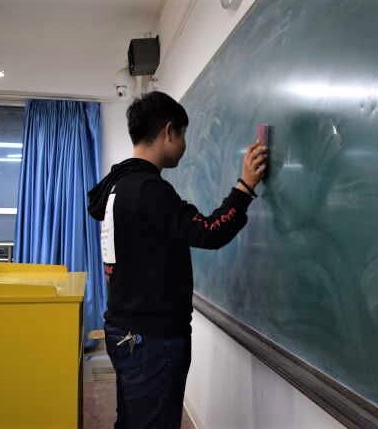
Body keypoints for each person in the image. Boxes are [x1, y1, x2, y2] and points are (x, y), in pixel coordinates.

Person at [87, 91, 267, 429]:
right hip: (151, 339)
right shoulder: (149, 190)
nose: (185, 146)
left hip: (125, 329)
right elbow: (210, 231)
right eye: (183, 135)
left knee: (132, 420)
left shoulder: (116, 186)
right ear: (168, 131)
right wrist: (245, 186)